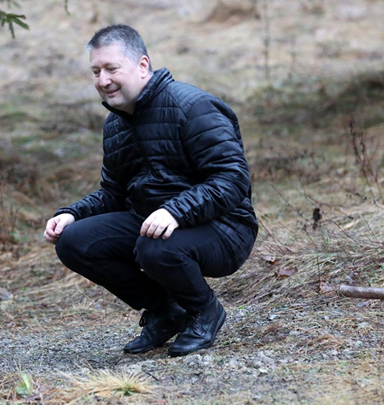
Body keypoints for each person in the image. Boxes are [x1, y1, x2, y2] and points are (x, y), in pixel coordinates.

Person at [44, 24, 258, 357]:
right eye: (96, 71)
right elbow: (114, 193)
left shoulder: (193, 106)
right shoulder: (116, 123)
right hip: (153, 226)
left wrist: (175, 210)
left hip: (225, 229)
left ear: (142, 65)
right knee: (75, 242)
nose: (103, 80)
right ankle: (166, 310)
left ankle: (205, 311)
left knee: (154, 247)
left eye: (112, 68)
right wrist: (72, 213)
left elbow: (232, 179)